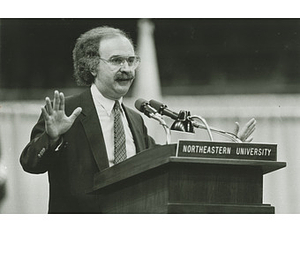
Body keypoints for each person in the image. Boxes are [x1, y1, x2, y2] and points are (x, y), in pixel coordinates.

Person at [20, 25, 256, 214]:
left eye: (131, 61)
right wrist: (52, 138)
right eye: (117, 61)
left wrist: (230, 151)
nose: (127, 69)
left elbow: (166, 163)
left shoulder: (136, 119)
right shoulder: (68, 110)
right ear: (92, 66)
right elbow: (30, 164)